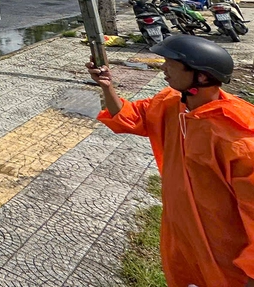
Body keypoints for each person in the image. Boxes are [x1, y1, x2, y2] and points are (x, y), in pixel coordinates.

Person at [87, 36, 254, 287]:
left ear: (201, 76)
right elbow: (128, 116)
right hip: (181, 238)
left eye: (171, 63)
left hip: (225, 258)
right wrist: (106, 86)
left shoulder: (237, 136)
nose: (164, 67)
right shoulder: (171, 104)